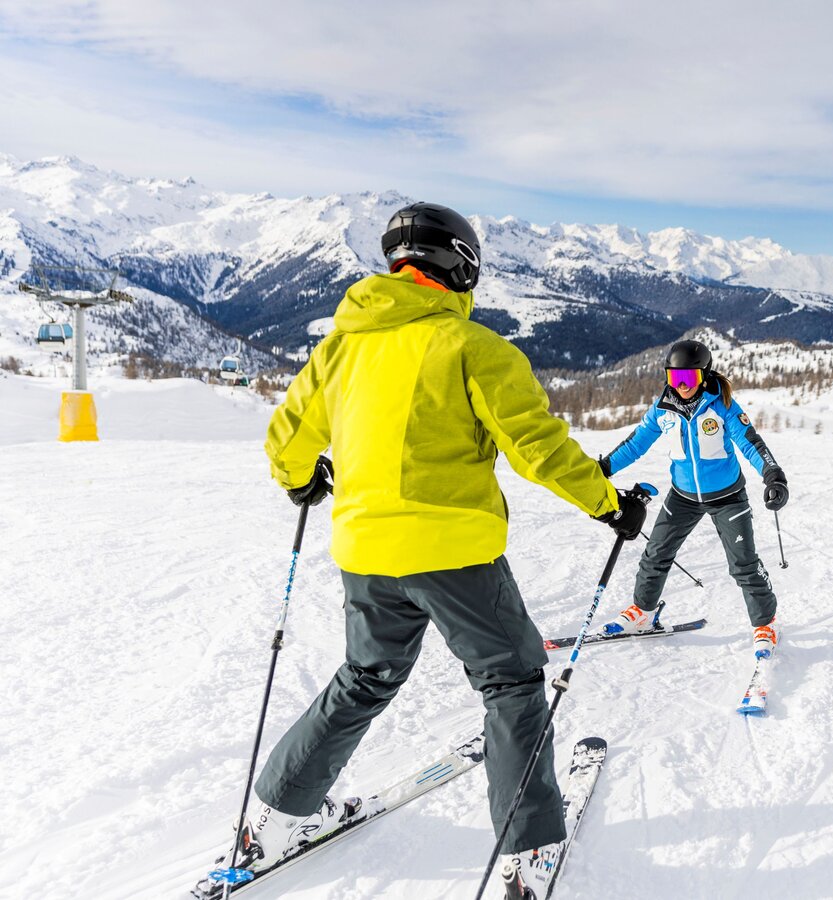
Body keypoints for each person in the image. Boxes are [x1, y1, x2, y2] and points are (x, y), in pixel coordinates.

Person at [236, 202, 647, 897]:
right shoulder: (475, 349)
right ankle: (527, 850)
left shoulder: (338, 348)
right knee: (512, 682)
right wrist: (608, 504)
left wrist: (303, 481)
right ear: (463, 265)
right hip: (452, 552)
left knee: (364, 677)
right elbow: (536, 449)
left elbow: (287, 440)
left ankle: (275, 820)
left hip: (365, 552)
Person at [598, 339, 788, 657]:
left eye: (688, 379)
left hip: (728, 496)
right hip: (682, 496)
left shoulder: (722, 404)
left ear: (703, 376)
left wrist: (772, 475)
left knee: (743, 565)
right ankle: (643, 613)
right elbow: (635, 444)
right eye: (675, 378)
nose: (682, 386)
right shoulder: (663, 409)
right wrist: (603, 468)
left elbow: (749, 440)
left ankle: (765, 623)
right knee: (656, 554)